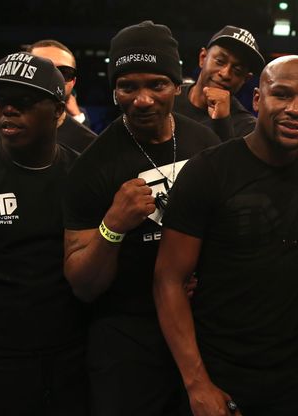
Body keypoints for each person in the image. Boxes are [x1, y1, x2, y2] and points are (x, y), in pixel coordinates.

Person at [153, 55, 298, 416]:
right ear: (258, 99)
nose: (296, 110)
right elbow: (169, 279)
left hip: (290, 378)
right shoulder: (209, 171)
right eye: (282, 95)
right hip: (216, 369)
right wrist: (197, 384)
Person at [62, 21, 219, 416]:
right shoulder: (92, 166)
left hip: (201, 327)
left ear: (178, 86)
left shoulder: (205, 144)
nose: (143, 100)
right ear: (114, 90)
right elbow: (82, 284)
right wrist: (112, 225)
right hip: (127, 339)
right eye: (128, 86)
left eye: (157, 85)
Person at [0, 52, 87, 415]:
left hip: (69, 357)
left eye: (25, 101)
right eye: (2, 101)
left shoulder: (82, 176)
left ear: (58, 111)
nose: (8, 110)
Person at [0, 39, 97, 156]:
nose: (52, 78)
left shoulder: (90, 145)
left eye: (63, 72)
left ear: (73, 81)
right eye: (41, 70)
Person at [173, 25, 265, 141]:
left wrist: (223, 122)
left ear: (245, 79)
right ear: (203, 58)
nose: (225, 74)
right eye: (220, 61)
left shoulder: (247, 127)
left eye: (237, 70)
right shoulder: (170, 97)